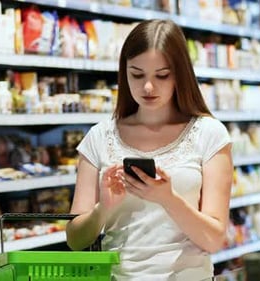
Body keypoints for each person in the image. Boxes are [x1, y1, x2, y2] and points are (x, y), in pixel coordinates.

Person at [66, 19, 233, 280]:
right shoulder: (99, 137)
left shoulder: (210, 134)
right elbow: (75, 240)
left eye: (162, 75)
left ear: (180, 74)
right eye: (137, 74)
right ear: (124, 72)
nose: (147, 87)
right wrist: (103, 208)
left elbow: (214, 240)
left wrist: (168, 198)